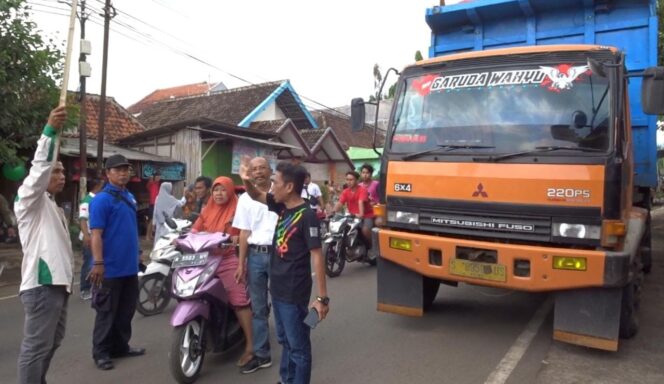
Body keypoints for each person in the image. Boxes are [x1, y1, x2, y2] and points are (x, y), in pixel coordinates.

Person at [240, 157, 329, 384]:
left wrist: (322, 298)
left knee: (299, 347)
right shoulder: (281, 206)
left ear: (289, 187)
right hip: (277, 290)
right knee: (286, 341)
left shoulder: (307, 215)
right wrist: (246, 180)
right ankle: (286, 379)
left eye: (275, 182)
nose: (271, 187)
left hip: (294, 292)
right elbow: (254, 195)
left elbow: (317, 256)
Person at [15, 106, 73, 384]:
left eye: (62, 172)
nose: (61, 176)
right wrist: (49, 132)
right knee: (36, 348)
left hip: (57, 286)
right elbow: (39, 170)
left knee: (52, 343)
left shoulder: (52, 207)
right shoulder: (29, 199)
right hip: (41, 285)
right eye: (56, 171)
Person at [88, 154, 145, 371]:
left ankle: (121, 347)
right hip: (109, 269)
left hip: (129, 267)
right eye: (118, 170)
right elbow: (96, 234)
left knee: (125, 311)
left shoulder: (128, 196)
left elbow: (130, 229)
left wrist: (138, 252)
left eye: (126, 169)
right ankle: (101, 353)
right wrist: (98, 263)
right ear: (108, 173)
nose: (123, 173)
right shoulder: (102, 200)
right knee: (106, 313)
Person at [192, 176, 255, 368]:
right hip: (205, 259)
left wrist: (236, 239)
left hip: (228, 258)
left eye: (223, 190)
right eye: (216, 190)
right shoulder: (206, 209)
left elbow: (243, 232)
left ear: (230, 191)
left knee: (238, 300)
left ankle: (251, 347)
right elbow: (196, 229)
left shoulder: (237, 210)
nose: (219, 194)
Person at [233, 157, 278, 374]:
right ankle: (262, 355)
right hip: (256, 256)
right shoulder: (244, 199)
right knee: (258, 309)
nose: (258, 172)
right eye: (254, 169)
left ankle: (293, 350)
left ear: (271, 171)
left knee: (283, 306)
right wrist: (241, 264)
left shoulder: (281, 193)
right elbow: (244, 232)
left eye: (262, 168)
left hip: (281, 256)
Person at [78, 178, 104, 301]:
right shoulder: (87, 201)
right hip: (89, 237)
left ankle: (96, 287)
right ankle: (85, 289)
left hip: (98, 237)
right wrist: (86, 236)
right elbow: (83, 219)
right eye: (102, 184)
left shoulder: (99, 199)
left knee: (97, 263)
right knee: (88, 264)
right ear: (97, 186)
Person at [334, 171, 374, 248]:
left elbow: (360, 202)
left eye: (351, 180)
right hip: (352, 216)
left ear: (357, 180)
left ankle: (372, 247)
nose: (349, 182)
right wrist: (333, 212)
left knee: (365, 230)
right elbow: (340, 203)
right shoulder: (345, 191)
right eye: (347, 179)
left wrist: (360, 214)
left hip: (366, 215)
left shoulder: (362, 190)